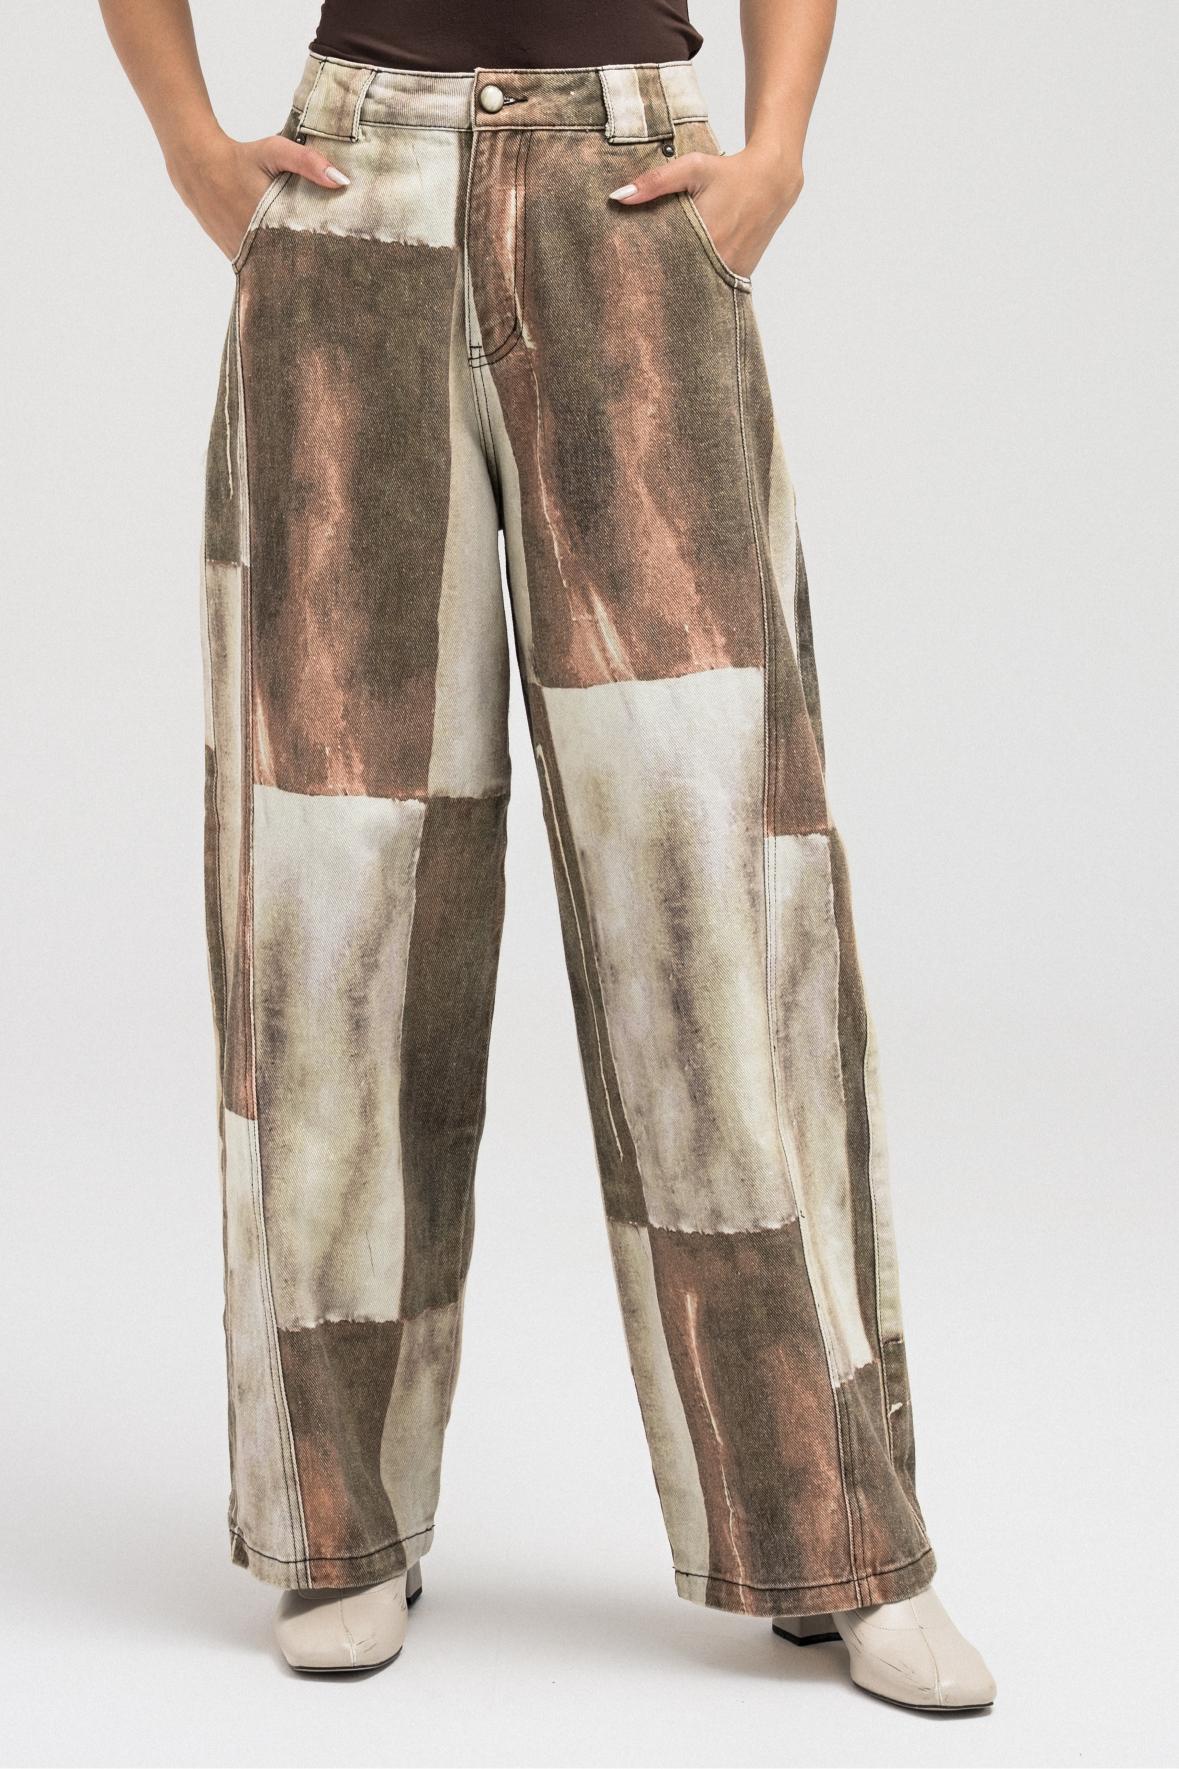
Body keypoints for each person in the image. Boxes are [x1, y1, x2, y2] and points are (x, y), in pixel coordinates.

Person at [98, 0, 996, 1710]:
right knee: (340, 883)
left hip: (629, 202)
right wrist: (191, 146)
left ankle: (834, 1534)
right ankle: (340, 1523)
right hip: (357, 196)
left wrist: (781, 149)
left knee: (716, 889)